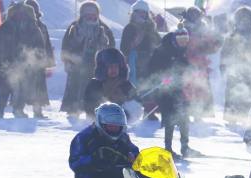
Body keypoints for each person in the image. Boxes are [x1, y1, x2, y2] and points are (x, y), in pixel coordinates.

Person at [69, 103, 139, 178]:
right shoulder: (84, 137)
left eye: (117, 126)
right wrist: (94, 161)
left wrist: (141, 159)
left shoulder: (123, 137)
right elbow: (75, 162)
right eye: (110, 126)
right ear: (100, 123)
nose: (114, 128)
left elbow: (134, 151)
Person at [148, 26, 200, 158]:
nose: (183, 42)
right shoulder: (163, 50)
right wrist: (162, 77)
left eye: (185, 39)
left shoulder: (181, 50)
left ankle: (184, 147)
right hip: (165, 90)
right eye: (180, 39)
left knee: (184, 117)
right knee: (170, 118)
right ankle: (168, 148)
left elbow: (183, 65)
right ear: (174, 39)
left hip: (179, 88)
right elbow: (153, 68)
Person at [61, 1, 115, 120]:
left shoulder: (104, 29)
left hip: (97, 66)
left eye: (93, 14)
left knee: (94, 89)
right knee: (75, 88)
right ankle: (73, 111)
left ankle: (92, 112)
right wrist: (67, 61)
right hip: (77, 65)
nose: (91, 17)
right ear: (82, 15)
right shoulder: (74, 28)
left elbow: (111, 47)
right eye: (88, 15)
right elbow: (66, 46)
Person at [0, 2, 45, 118]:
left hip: (26, 63)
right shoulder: (6, 26)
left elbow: (39, 44)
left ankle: (18, 109)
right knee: (5, 88)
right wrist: (1, 60)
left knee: (23, 87)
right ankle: (0, 111)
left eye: (23, 13)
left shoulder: (33, 27)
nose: (21, 15)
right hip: (8, 63)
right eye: (18, 13)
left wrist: (36, 58)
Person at [221, 6, 251, 120]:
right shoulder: (232, 36)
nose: (244, 22)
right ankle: (231, 117)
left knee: (249, 93)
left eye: (247, 19)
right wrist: (223, 66)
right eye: (242, 19)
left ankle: (247, 116)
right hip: (234, 70)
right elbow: (225, 52)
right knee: (232, 93)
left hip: (250, 69)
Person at [83, 48, 137, 119]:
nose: (113, 69)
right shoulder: (95, 85)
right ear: (103, 68)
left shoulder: (126, 85)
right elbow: (88, 105)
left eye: (116, 66)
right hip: (99, 122)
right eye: (110, 66)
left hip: (120, 124)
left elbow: (136, 103)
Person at [120, 0, 160, 90]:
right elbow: (123, 49)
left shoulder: (151, 28)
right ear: (134, 13)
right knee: (136, 88)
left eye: (144, 12)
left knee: (148, 87)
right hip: (134, 63)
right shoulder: (129, 28)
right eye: (139, 12)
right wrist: (134, 43)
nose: (142, 14)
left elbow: (159, 43)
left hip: (150, 62)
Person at [25, 0, 54, 119]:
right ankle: (18, 109)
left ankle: (38, 110)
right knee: (24, 85)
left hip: (40, 61)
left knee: (39, 87)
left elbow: (46, 43)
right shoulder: (23, 25)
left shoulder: (42, 26)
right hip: (26, 61)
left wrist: (49, 60)